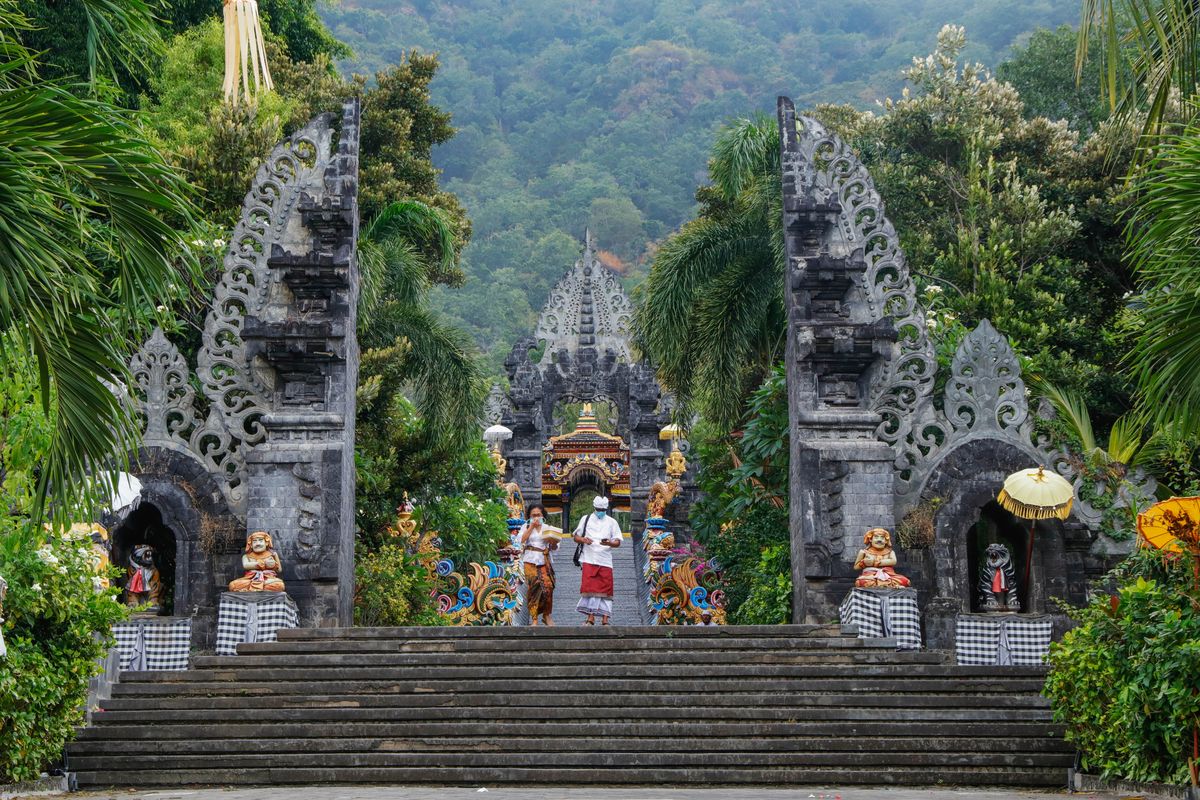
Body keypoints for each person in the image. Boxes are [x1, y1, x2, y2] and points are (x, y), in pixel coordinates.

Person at [572, 495, 623, 625]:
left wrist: (610, 543)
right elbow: (576, 537)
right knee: (589, 589)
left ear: (606, 509)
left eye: (603, 509)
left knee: (606, 589)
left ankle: (605, 618)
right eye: (598, 509)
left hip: (605, 559)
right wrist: (584, 540)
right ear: (594, 507)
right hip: (589, 558)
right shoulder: (586, 519)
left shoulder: (612, 522)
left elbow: (618, 541)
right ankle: (590, 617)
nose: (600, 511)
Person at [519, 503, 557, 626]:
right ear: (529, 516)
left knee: (548, 587)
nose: (536, 517)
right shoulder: (526, 526)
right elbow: (521, 540)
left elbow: (555, 547)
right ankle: (534, 618)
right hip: (530, 560)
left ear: (543, 515)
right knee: (534, 586)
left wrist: (553, 542)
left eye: (538, 515)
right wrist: (531, 527)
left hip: (544, 560)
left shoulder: (547, 527)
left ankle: (547, 615)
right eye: (533, 515)